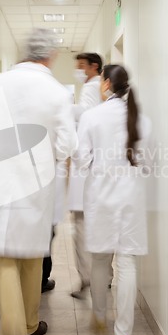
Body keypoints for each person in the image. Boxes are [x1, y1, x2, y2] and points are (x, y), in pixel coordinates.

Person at [0, 28, 77, 335]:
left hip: (0, 182)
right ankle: (30, 325)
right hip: (37, 183)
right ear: (51, 56)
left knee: (3, 257)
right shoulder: (56, 92)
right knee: (31, 257)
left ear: (23, 52)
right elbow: (67, 145)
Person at [76, 64, 152, 335]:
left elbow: (83, 161)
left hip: (101, 199)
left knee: (99, 260)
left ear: (106, 84)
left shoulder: (91, 117)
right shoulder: (143, 120)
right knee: (127, 263)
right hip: (131, 199)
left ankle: (98, 316)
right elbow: (148, 163)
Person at [68, 53, 103, 298]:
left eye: (82, 66)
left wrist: (66, 108)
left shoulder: (92, 89)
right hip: (94, 168)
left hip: (87, 167)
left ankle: (88, 278)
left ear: (94, 67)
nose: (78, 71)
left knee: (81, 226)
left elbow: (86, 118)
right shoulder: (97, 89)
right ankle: (99, 277)